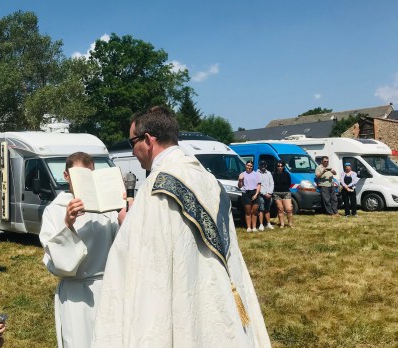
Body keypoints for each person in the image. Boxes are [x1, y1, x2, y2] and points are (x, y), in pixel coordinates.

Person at [92, 106, 270, 347]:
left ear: (148, 139)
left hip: (179, 296)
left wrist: (126, 224)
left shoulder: (158, 185)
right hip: (216, 293)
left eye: (132, 141)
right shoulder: (209, 180)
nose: (132, 151)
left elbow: (148, 267)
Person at [39, 152, 122, 348]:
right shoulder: (55, 209)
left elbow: (121, 244)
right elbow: (58, 259)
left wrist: (123, 216)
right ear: (66, 175)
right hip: (75, 290)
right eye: (78, 175)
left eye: (89, 174)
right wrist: (68, 224)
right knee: (78, 341)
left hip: (105, 287)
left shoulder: (107, 207)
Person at [238, 160, 262, 232]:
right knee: (248, 212)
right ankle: (248, 227)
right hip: (246, 193)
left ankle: (254, 227)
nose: (249, 167)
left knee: (254, 211)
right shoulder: (242, 174)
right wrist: (240, 180)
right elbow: (240, 186)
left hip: (254, 192)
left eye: (251, 166)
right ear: (245, 165)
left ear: (252, 167)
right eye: (248, 165)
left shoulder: (256, 174)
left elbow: (259, 185)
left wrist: (256, 194)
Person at [272, 160, 294, 228]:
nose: (280, 167)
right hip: (276, 193)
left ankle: (290, 224)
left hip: (286, 193)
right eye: (278, 166)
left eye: (281, 166)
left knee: (289, 209)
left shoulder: (286, 174)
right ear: (276, 167)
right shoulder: (273, 174)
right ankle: (282, 224)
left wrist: (284, 188)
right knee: (280, 209)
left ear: (283, 167)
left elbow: (289, 183)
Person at [257, 161, 274, 231]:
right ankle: (261, 224)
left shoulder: (269, 173)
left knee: (267, 209)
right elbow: (258, 185)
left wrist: (270, 193)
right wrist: (264, 194)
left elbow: (272, 183)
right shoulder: (256, 173)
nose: (263, 166)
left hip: (269, 194)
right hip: (261, 194)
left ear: (266, 165)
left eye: (264, 164)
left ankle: (268, 223)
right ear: (259, 165)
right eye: (261, 165)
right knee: (261, 209)